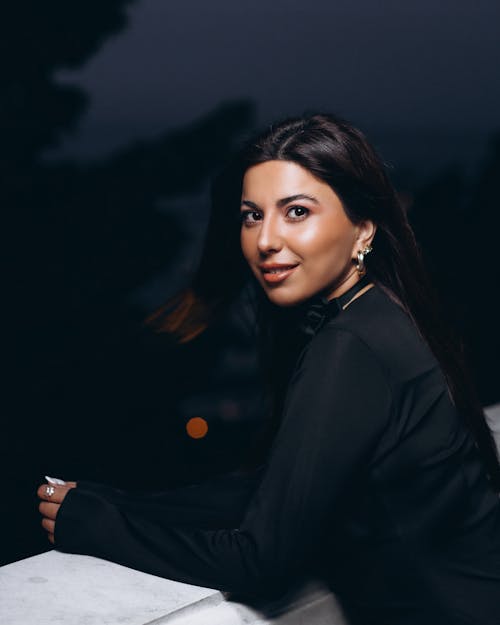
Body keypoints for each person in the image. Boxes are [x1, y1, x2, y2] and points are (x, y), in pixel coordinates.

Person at [37, 114, 500, 625]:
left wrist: (98, 528)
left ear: (362, 230)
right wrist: (116, 502)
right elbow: (276, 487)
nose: (265, 240)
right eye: (251, 216)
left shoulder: (350, 346)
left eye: (296, 211)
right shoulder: (383, 313)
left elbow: (260, 560)